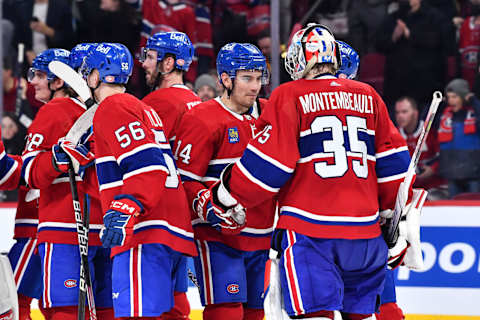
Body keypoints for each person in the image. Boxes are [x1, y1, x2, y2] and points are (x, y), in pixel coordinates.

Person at [199, 25, 414, 319]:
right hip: (365, 233)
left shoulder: (290, 95)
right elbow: (395, 165)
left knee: (314, 314)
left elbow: (269, 166)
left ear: (300, 59)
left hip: (312, 232)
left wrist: (224, 195)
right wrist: (393, 218)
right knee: (361, 315)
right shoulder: (369, 95)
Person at [79, 42, 197, 318]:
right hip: (172, 229)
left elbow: (147, 165)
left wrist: (127, 207)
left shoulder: (113, 107)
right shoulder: (142, 109)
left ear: (96, 76)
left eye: (89, 73)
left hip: (145, 231)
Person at [174, 42, 273, 320]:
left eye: (259, 78)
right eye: (246, 78)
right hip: (218, 238)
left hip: (262, 235)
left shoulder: (270, 115)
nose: (255, 87)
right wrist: (207, 206)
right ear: (226, 79)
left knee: (255, 314)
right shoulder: (201, 119)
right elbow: (183, 181)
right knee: (225, 312)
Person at [24, 48, 114, 320]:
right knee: (109, 311)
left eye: (40, 75)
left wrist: (54, 160)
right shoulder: (112, 112)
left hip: (64, 229)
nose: (33, 82)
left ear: (59, 81)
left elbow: (29, 173)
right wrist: (61, 157)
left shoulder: (55, 110)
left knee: (64, 311)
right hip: (109, 228)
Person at [337, 40, 406, 320]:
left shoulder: (302, 102)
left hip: (317, 223)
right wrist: (392, 212)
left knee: (318, 309)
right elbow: (396, 162)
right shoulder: (368, 102)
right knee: (378, 303)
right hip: (366, 221)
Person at [140, 31, 201, 320]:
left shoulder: (158, 102)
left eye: (150, 58)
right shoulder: (196, 100)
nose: (144, 64)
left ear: (168, 64)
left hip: (158, 215)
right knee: (177, 303)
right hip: (186, 218)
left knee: (153, 305)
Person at [395, 96, 446, 198]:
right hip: (407, 190)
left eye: (404, 112)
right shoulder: (394, 135)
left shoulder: (431, 131)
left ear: (415, 113)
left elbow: (445, 156)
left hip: (435, 187)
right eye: (397, 112)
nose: (400, 116)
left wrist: (433, 169)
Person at [438, 78, 480, 197]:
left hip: (474, 174)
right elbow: (425, 120)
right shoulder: (444, 116)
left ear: (464, 97)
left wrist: (473, 101)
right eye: (449, 97)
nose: (451, 100)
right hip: (452, 174)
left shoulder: (474, 114)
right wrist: (440, 102)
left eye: (455, 96)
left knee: (475, 209)